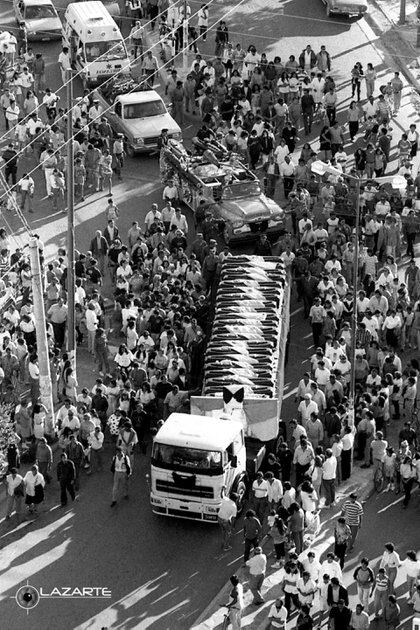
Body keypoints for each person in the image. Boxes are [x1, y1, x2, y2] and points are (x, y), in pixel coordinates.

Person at [217, 485, 238, 551]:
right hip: (225, 520)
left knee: (223, 531)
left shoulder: (225, 499)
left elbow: (222, 495)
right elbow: (234, 518)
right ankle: (226, 547)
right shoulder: (234, 506)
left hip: (219, 518)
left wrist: (223, 489)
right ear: (236, 499)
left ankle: (222, 543)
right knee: (228, 533)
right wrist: (232, 526)